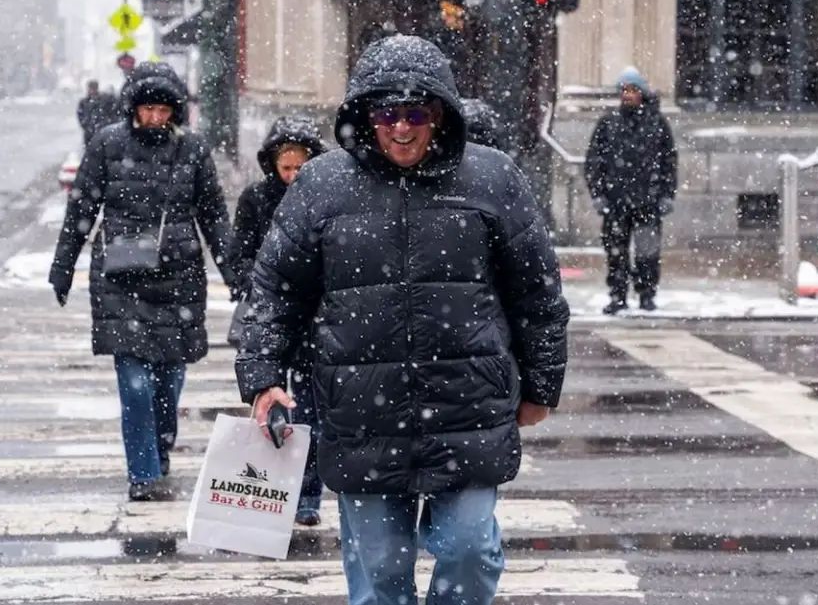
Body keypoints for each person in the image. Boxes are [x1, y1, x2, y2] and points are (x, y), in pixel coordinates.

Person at [236, 35, 570, 605]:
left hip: (467, 405)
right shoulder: (322, 185)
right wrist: (262, 374)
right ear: (366, 115)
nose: (402, 128)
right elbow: (274, 290)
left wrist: (541, 385)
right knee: (381, 568)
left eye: (417, 112)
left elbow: (537, 294)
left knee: (467, 549)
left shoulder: (492, 179)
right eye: (387, 113)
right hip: (361, 409)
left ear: (440, 113)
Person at [50, 61, 239, 502]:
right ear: (132, 108)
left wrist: (233, 272)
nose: (155, 117)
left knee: (169, 380)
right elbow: (81, 210)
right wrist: (62, 268)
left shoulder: (192, 149)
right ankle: (143, 472)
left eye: (163, 109)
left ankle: (160, 441)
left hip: (178, 277)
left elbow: (213, 214)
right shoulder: (107, 144)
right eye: (147, 108)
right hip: (121, 276)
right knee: (135, 382)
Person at [227, 115, 327, 526]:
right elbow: (239, 256)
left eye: (299, 167)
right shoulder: (256, 199)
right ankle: (272, 488)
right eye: (285, 167)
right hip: (270, 315)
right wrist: (266, 283)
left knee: (310, 414)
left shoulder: (325, 198)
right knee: (270, 407)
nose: (291, 176)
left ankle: (306, 496)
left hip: (312, 321)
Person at [584, 67, 678, 314]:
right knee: (616, 253)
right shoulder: (608, 123)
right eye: (624, 90)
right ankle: (618, 295)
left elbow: (669, 161)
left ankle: (646, 294)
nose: (627, 95)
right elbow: (594, 161)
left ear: (642, 93)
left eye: (632, 90)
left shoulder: (657, 123)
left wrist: (667, 193)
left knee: (647, 252)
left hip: (648, 200)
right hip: (616, 201)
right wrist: (598, 195)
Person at [77, 79, 107, 147]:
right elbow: (80, 114)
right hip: (89, 131)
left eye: (94, 88)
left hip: (99, 130)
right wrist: (85, 124)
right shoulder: (84, 102)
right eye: (91, 88)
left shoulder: (102, 100)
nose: (92, 91)